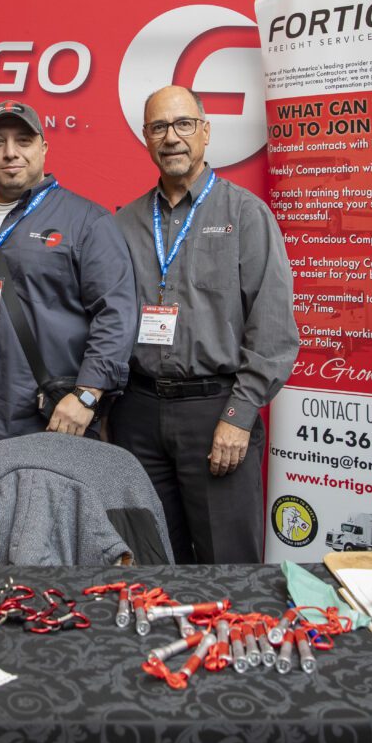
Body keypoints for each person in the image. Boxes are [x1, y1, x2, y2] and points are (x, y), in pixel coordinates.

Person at [108, 85, 298, 564]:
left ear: (206, 132)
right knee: (150, 560)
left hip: (215, 411)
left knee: (227, 566)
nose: (171, 137)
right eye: (159, 127)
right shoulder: (124, 223)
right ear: (146, 138)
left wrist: (238, 415)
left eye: (183, 124)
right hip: (138, 414)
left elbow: (273, 329)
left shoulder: (245, 214)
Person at [0, 100, 136, 445]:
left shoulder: (87, 221)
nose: (11, 152)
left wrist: (87, 395)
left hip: (58, 419)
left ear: (44, 148)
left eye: (23, 141)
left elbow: (116, 315)